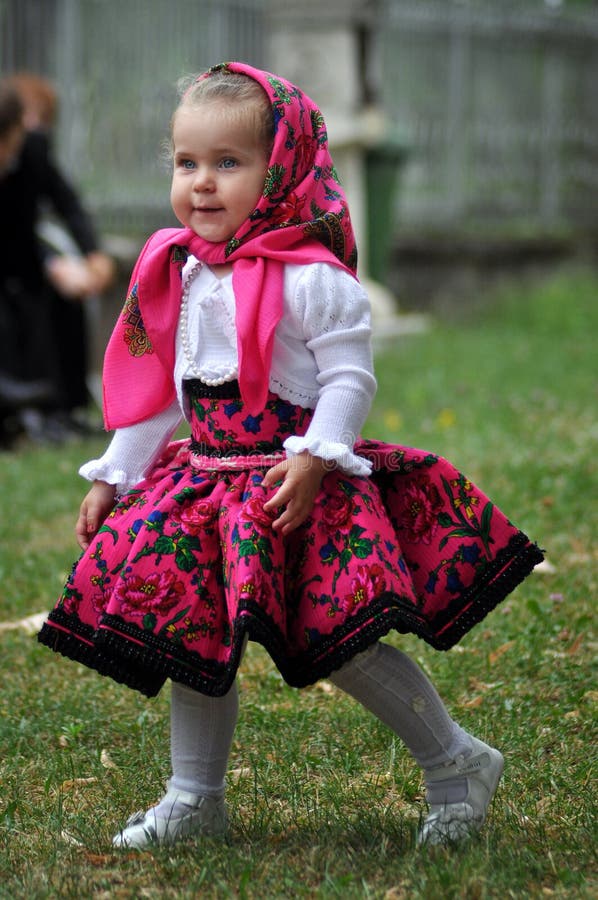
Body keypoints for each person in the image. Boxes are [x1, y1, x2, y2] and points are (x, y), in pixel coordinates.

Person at [38, 62, 543, 850]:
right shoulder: (182, 272)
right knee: (192, 634)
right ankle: (194, 796)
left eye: (229, 164)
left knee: (341, 646)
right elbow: (166, 394)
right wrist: (117, 472)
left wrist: (318, 455)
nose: (202, 184)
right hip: (204, 486)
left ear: (284, 174)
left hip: (291, 484)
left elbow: (349, 377)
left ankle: (457, 761)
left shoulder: (312, 280)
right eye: (186, 163)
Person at [0, 74, 113, 446]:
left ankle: (65, 408)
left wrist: (91, 254)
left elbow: (66, 203)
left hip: (26, 259)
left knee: (65, 302)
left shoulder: (33, 150)